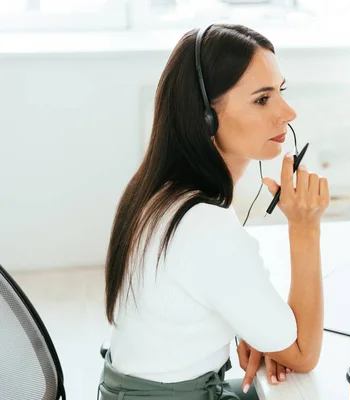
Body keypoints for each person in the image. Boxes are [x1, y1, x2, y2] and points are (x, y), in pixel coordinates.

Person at [98, 24, 329, 400]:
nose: (288, 112)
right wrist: (305, 227)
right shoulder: (205, 225)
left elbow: (194, 292)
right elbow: (303, 353)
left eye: (280, 92)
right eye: (262, 99)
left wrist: (249, 323)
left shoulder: (161, 191)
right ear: (206, 116)